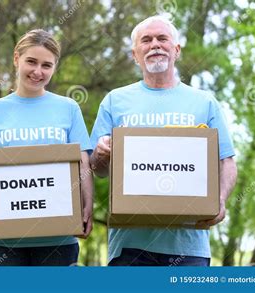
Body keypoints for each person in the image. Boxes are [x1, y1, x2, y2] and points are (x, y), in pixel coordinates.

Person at [90, 15, 237, 266]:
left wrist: (220, 200)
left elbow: (227, 161)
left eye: (162, 39)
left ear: (176, 50)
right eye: (146, 40)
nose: (155, 44)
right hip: (129, 246)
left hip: (189, 245)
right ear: (136, 54)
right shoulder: (115, 100)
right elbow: (97, 169)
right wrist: (101, 154)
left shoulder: (204, 102)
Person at [0, 29, 94, 266]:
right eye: (31, 62)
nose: (38, 71)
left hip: (58, 238)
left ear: (54, 67)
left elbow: (82, 160)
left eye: (46, 65)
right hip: (4, 240)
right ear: (17, 58)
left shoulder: (68, 108)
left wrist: (88, 205)